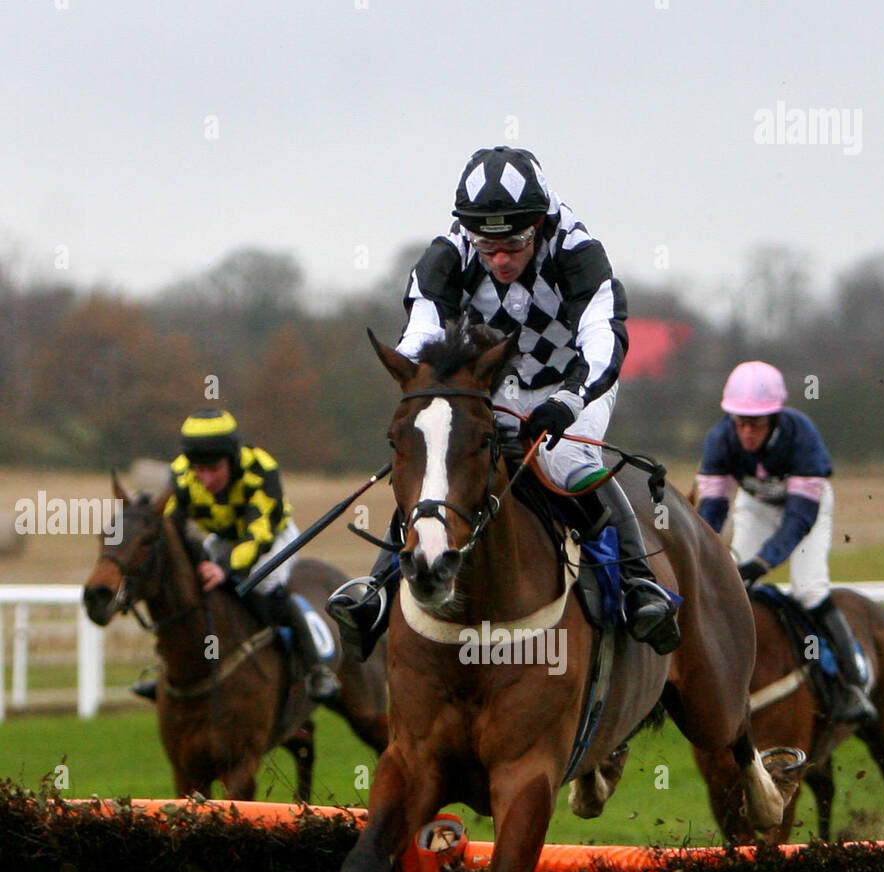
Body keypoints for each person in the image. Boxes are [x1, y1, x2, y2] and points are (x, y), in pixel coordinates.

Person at [328, 144, 680, 659]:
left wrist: (568, 399)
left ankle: (636, 581)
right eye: (485, 245)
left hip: (572, 380)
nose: (498, 259)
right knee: (441, 461)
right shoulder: (447, 255)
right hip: (488, 386)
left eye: (513, 243)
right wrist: (424, 385)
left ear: (537, 222)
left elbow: (604, 339)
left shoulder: (577, 250)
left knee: (565, 458)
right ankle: (380, 592)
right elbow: (421, 331)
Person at [695, 362, 876, 723]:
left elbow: (798, 521)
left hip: (806, 509)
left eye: (756, 424)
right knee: (731, 586)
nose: (746, 433)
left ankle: (852, 683)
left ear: (775, 418)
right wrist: (707, 553)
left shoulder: (802, 436)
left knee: (809, 589)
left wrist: (762, 562)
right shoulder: (720, 439)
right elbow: (713, 510)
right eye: (740, 422)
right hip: (756, 506)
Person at [131, 408, 341, 702]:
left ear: (232, 457)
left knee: (266, 585)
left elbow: (258, 536)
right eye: (199, 469)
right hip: (224, 537)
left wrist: (225, 568)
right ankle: (168, 667)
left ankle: (317, 670)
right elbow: (172, 529)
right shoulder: (180, 473)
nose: (205, 478)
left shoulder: (261, 469)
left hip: (273, 536)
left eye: (213, 468)